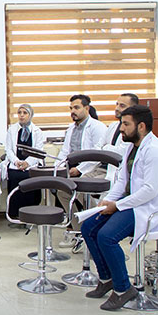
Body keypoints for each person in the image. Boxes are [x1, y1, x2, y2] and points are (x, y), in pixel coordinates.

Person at [80, 105, 158, 311]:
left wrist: (117, 206)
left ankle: (123, 289)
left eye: (126, 124)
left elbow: (150, 191)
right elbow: (122, 181)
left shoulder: (156, 151)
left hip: (149, 207)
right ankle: (107, 279)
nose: (121, 128)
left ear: (141, 126)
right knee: (88, 227)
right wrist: (108, 200)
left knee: (106, 236)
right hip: (130, 202)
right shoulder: (132, 148)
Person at [57, 94, 108, 244]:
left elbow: (96, 153)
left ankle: (96, 225)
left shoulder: (97, 127)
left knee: (78, 190)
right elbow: (65, 151)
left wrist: (79, 170)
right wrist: (57, 168)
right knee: (62, 192)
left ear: (87, 108)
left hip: (94, 168)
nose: (73, 111)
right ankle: (79, 230)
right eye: (71, 108)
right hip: (73, 169)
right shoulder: (71, 129)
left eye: (76, 107)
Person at [4, 104, 45, 224]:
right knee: (15, 177)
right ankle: (15, 215)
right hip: (16, 164)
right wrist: (16, 161)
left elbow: (38, 151)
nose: (21, 115)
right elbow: (9, 149)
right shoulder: (12, 130)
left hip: (31, 165)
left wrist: (27, 163)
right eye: (19, 112)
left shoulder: (37, 131)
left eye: (25, 113)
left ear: (30, 115)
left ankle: (31, 214)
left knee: (30, 180)